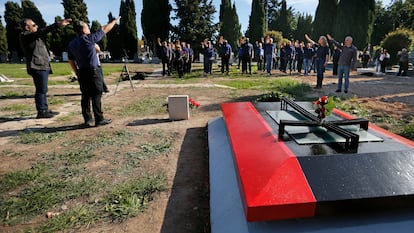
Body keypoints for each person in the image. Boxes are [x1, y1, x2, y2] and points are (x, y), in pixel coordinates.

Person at [68, 17, 120, 127]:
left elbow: (71, 60)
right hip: (93, 71)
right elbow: (105, 29)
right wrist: (114, 21)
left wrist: (77, 72)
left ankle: (87, 120)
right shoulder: (89, 39)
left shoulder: (72, 44)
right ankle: (99, 119)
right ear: (83, 29)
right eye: (87, 27)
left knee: (85, 96)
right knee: (97, 94)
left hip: (82, 71)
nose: (89, 29)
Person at [19, 18, 72, 118]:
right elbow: (42, 31)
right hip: (37, 66)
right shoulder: (25, 36)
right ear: (27, 27)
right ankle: (42, 111)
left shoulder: (34, 37)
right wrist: (57, 25)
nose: (37, 26)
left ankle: (45, 109)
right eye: (34, 25)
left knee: (43, 89)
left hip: (43, 65)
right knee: (41, 89)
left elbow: (41, 33)